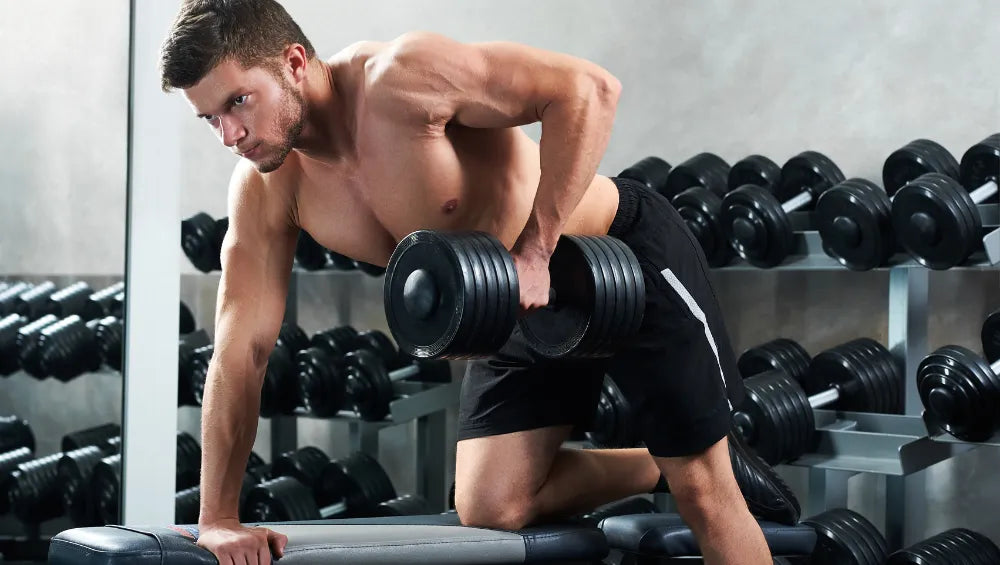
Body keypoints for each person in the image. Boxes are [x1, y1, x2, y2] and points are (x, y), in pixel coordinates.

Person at [159, 1, 799, 564]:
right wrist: (216, 519)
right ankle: (658, 460)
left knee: (706, 499)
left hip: (617, 254)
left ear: (294, 63)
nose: (230, 135)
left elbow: (589, 89)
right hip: (518, 305)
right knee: (492, 504)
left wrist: (536, 249)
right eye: (209, 118)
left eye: (238, 102)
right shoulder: (269, 188)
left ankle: (700, 463)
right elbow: (241, 349)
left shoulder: (401, 81)